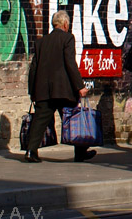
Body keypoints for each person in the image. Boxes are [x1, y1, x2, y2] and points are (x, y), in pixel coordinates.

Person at [25, 10, 93, 162]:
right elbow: (70, 63)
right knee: (72, 120)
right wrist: (80, 86)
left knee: (40, 121)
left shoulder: (41, 42)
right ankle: (80, 152)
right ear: (65, 24)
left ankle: (31, 151)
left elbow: (33, 68)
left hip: (43, 90)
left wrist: (32, 91)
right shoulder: (67, 38)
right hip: (63, 90)